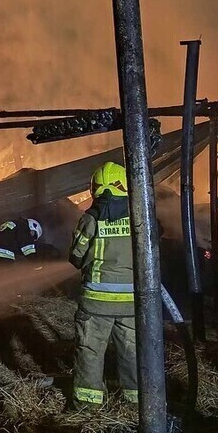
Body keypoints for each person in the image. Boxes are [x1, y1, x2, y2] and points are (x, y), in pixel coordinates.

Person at [68, 161, 138, 408]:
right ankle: (136, 402)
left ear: (95, 188)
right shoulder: (138, 218)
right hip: (131, 303)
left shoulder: (90, 219)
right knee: (133, 352)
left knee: (90, 351)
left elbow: (76, 256)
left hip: (96, 302)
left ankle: (89, 405)